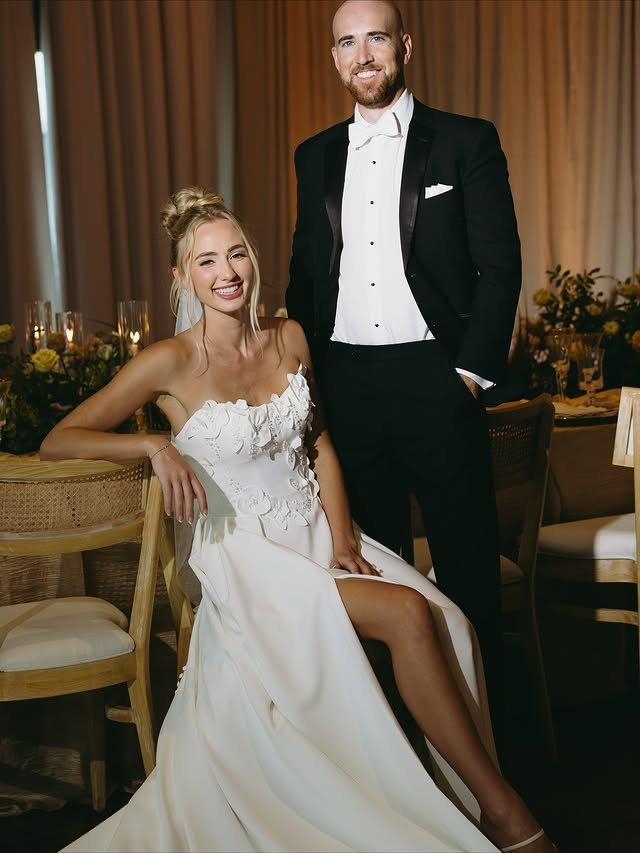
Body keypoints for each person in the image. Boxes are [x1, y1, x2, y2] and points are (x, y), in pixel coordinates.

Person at [42, 188, 553, 853]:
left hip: (318, 530)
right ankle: (505, 814)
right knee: (405, 615)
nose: (226, 273)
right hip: (247, 559)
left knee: (448, 619)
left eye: (235, 255)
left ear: (252, 260)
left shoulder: (288, 338)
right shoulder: (169, 362)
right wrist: (152, 444)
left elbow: (320, 445)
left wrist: (342, 534)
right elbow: (61, 438)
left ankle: (447, 796)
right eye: (206, 262)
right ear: (182, 277)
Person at [287, 0, 522, 738]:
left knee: (467, 567)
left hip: (437, 378)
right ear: (334, 58)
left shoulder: (465, 141)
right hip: (347, 386)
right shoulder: (313, 154)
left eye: (376, 38)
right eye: (347, 42)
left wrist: (467, 376)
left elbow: (500, 267)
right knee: (372, 574)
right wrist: (306, 383)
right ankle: (398, 758)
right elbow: (305, 273)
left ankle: (487, 754)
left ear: (404, 47)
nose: (363, 54)